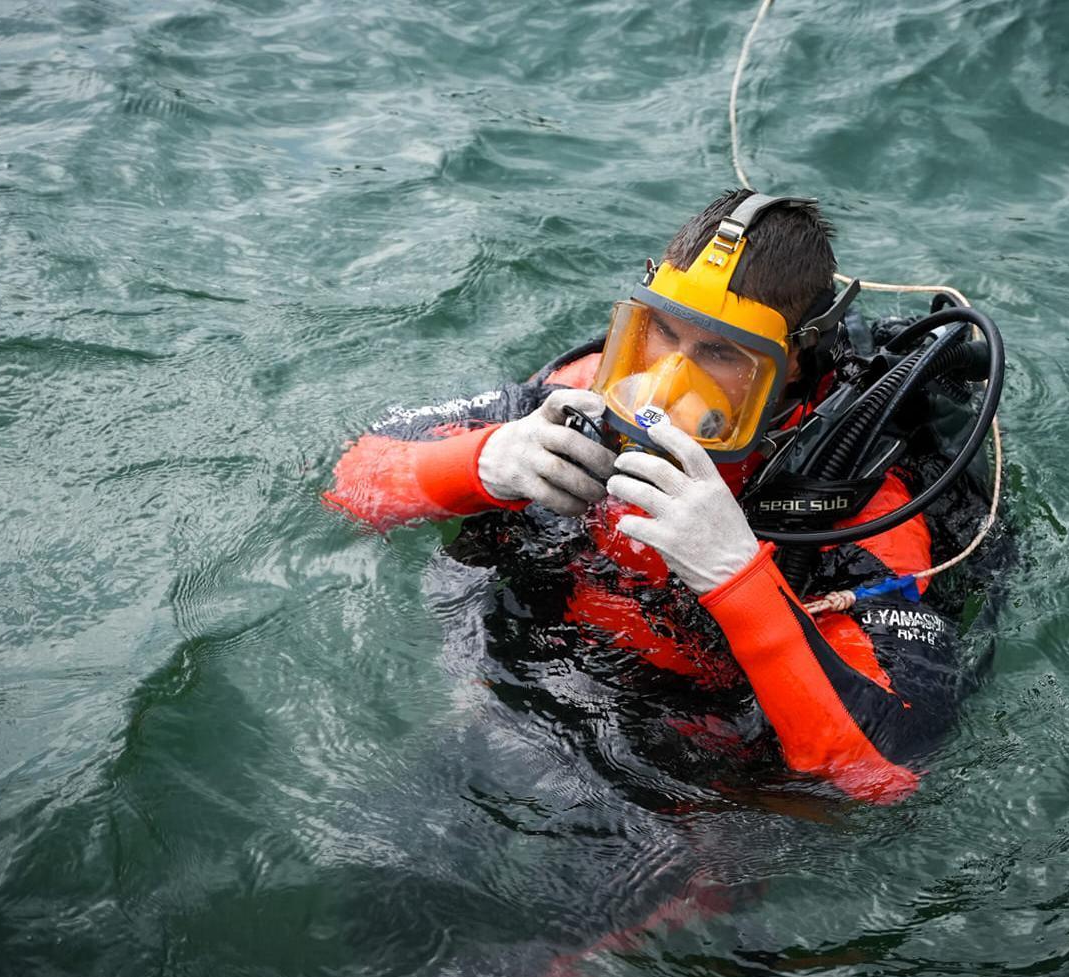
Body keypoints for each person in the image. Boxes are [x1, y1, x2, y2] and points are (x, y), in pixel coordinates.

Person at [321, 189, 986, 804]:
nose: (668, 377)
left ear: (793, 367)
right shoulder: (588, 390)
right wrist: (483, 461)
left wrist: (738, 579)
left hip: (704, 781)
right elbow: (350, 485)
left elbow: (886, 770)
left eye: (722, 354)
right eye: (663, 331)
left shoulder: (864, 499)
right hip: (533, 684)